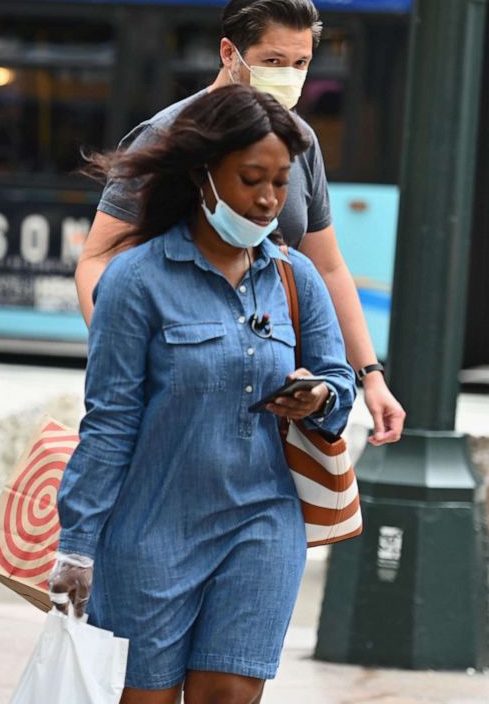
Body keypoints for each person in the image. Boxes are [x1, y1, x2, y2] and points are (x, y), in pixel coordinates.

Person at [50, 85, 356, 703]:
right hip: (150, 531)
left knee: (228, 694)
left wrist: (318, 396)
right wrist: (77, 544)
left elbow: (337, 383)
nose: (270, 200)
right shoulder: (135, 280)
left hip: (263, 523)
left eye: (280, 183)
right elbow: (109, 421)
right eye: (251, 180)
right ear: (203, 175)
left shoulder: (295, 277)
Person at [74, 0, 404, 447]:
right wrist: (127, 361)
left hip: (274, 389)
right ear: (230, 53)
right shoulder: (167, 135)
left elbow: (328, 266)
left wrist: (370, 375)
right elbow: (98, 260)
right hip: (183, 387)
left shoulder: (300, 142)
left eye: (301, 64)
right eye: (273, 62)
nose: (288, 75)